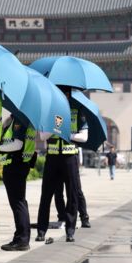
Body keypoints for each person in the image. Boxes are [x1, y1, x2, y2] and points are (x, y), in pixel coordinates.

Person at [35, 86, 88, 243]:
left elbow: (84, 137)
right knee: (46, 196)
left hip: (69, 158)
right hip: (52, 158)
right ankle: (41, 230)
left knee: (72, 196)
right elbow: (43, 136)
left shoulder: (78, 110)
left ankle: (70, 231)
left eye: (65, 93)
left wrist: (69, 134)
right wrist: (56, 127)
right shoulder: (49, 111)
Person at [0, 112, 37, 251]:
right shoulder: (20, 118)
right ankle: (21, 237)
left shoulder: (21, 117)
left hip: (16, 164)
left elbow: (17, 144)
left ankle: (22, 239)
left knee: (18, 203)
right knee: (20, 202)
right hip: (18, 164)